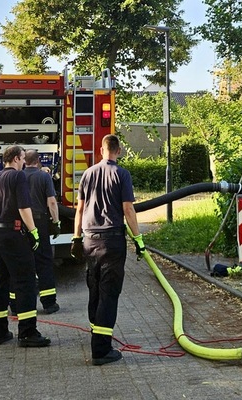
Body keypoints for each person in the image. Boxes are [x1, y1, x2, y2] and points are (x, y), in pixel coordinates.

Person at [71, 134, 145, 366]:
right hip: (112, 241)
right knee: (109, 293)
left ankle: (96, 334)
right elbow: (128, 209)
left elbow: (80, 209)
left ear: (101, 150)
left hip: (89, 240)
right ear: (119, 151)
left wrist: (75, 238)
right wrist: (139, 240)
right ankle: (101, 350)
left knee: (94, 288)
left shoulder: (88, 173)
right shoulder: (122, 174)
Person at [0, 145, 51, 348]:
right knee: (25, 281)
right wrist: (33, 232)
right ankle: (28, 332)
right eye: (22, 158)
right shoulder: (18, 177)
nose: (24, 162)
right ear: (15, 159)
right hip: (13, 234)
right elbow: (24, 207)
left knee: (0, 282)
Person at [23, 149, 61, 314]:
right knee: (44, 261)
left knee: (22, 262)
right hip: (39, 221)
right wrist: (56, 222)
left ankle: (18, 305)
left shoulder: (18, 176)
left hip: (22, 223)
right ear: (38, 161)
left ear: (24, 160)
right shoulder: (44, 177)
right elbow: (52, 202)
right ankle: (49, 303)